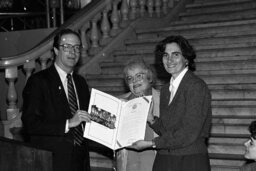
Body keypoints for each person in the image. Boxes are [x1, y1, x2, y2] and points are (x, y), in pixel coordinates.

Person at [129, 35, 212, 171]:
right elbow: (168, 131)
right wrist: (152, 120)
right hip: (166, 159)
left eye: (175, 55)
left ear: (186, 59)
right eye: (165, 55)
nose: (169, 60)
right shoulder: (166, 89)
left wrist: (151, 143)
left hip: (189, 160)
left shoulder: (196, 86)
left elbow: (188, 133)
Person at [21, 29, 91, 171]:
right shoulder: (38, 81)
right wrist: (68, 123)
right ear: (56, 50)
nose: (73, 52)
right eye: (67, 47)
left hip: (80, 160)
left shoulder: (81, 83)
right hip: (53, 161)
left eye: (77, 47)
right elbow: (30, 123)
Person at [116, 59, 160, 171]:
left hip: (155, 162)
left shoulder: (163, 100)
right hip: (128, 164)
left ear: (149, 77)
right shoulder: (119, 102)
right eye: (130, 78)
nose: (134, 81)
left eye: (139, 76)